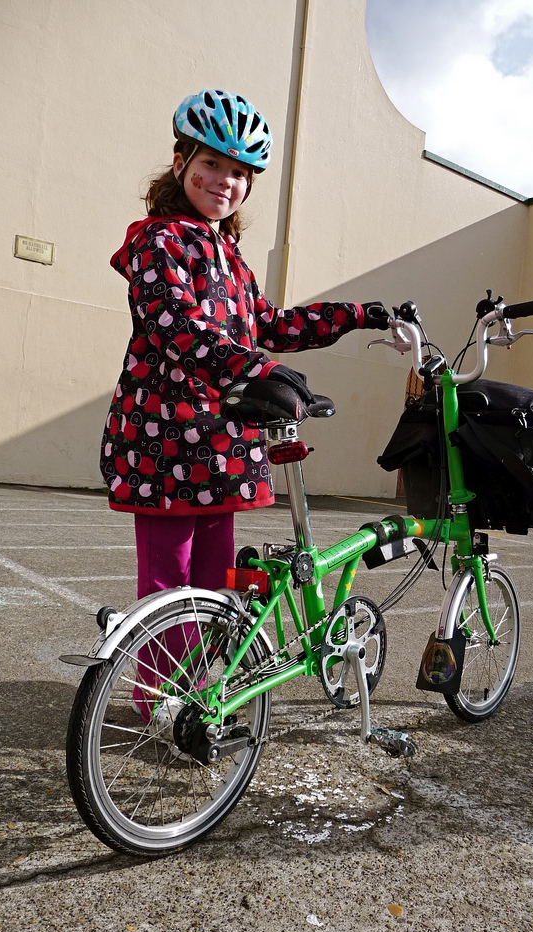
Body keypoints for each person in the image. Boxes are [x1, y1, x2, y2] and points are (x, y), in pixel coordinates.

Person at [100, 88, 389, 721]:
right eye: (211, 164)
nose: (224, 181)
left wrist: (357, 315)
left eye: (239, 172)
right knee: (166, 585)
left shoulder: (230, 256)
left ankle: (204, 692)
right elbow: (175, 325)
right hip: (164, 439)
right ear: (180, 164)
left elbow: (265, 324)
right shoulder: (157, 239)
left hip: (223, 444)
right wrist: (257, 368)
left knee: (214, 584)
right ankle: (156, 700)